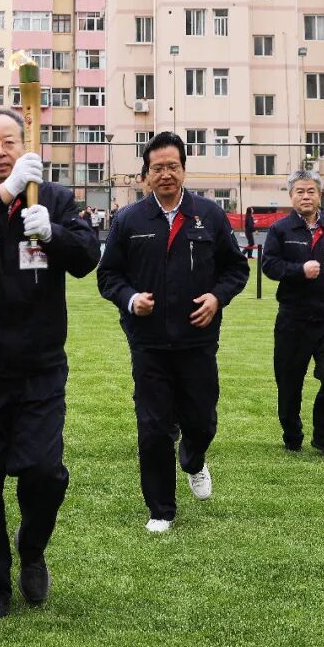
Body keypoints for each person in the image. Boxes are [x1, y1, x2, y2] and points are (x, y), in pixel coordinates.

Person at [0, 109, 99, 621]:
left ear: (26, 145)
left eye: (10, 141)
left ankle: (32, 548)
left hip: (39, 369)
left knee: (45, 473)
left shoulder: (54, 198)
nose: (1, 151)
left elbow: (87, 257)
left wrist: (54, 234)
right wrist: (5, 193)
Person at [98, 131, 249, 534]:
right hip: (148, 342)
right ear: (146, 174)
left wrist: (217, 297)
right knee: (153, 427)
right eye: (157, 168)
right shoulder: (129, 220)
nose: (165, 174)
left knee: (202, 420)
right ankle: (161, 509)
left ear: (183, 169)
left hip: (197, 339)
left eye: (172, 166)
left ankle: (194, 459)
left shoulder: (209, 215)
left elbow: (236, 269)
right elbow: (108, 276)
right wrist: (131, 299)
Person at [261, 170, 324, 459]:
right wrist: (298, 270)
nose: (306, 196)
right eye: (300, 191)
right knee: (289, 381)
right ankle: (292, 433)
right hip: (293, 319)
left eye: (311, 191)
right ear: (291, 196)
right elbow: (269, 266)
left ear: (320, 195)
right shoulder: (280, 230)